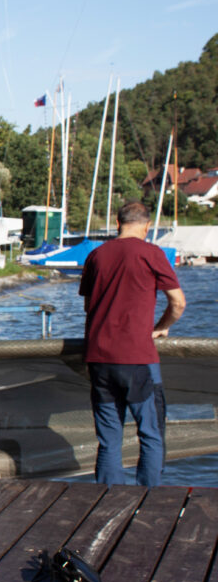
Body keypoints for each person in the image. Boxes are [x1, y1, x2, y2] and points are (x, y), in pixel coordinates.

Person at [79, 201, 186, 487]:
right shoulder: (152, 254)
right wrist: (161, 327)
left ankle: (108, 499)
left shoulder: (96, 255)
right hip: (137, 358)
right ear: (147, 226)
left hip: (99, 357)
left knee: (108, 438)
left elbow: (89, 306)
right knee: (150, 433)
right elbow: (178, 303)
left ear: (118, 223)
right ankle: (147, 499)